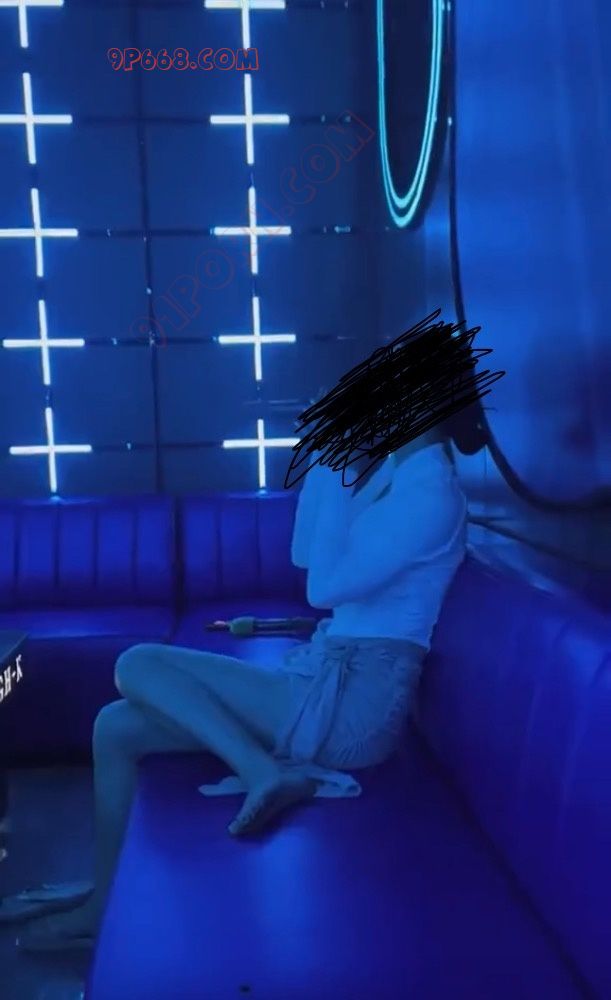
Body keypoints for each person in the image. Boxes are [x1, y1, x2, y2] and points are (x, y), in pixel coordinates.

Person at [2, 424, 467, 951]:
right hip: (328, 678)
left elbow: (322, 589)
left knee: (138, 662)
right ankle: (100, 902)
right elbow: (305, 556)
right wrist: (327, 459)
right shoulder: (394, 474)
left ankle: (261, 770)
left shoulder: (431, 494)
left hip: (355, 706)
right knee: (114, 727)